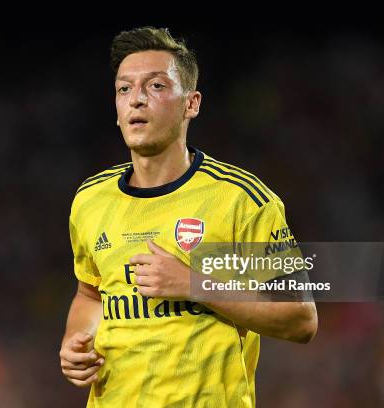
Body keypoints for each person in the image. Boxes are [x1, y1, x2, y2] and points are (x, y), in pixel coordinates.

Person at [59, 26, 318, 407]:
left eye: (157, 86)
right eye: (124, 89)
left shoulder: (240, 200)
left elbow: (301, 319)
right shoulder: (90, 199)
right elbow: (90, 293)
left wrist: (196, 283)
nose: (137, 100)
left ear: (191, 103)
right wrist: (74, 341)